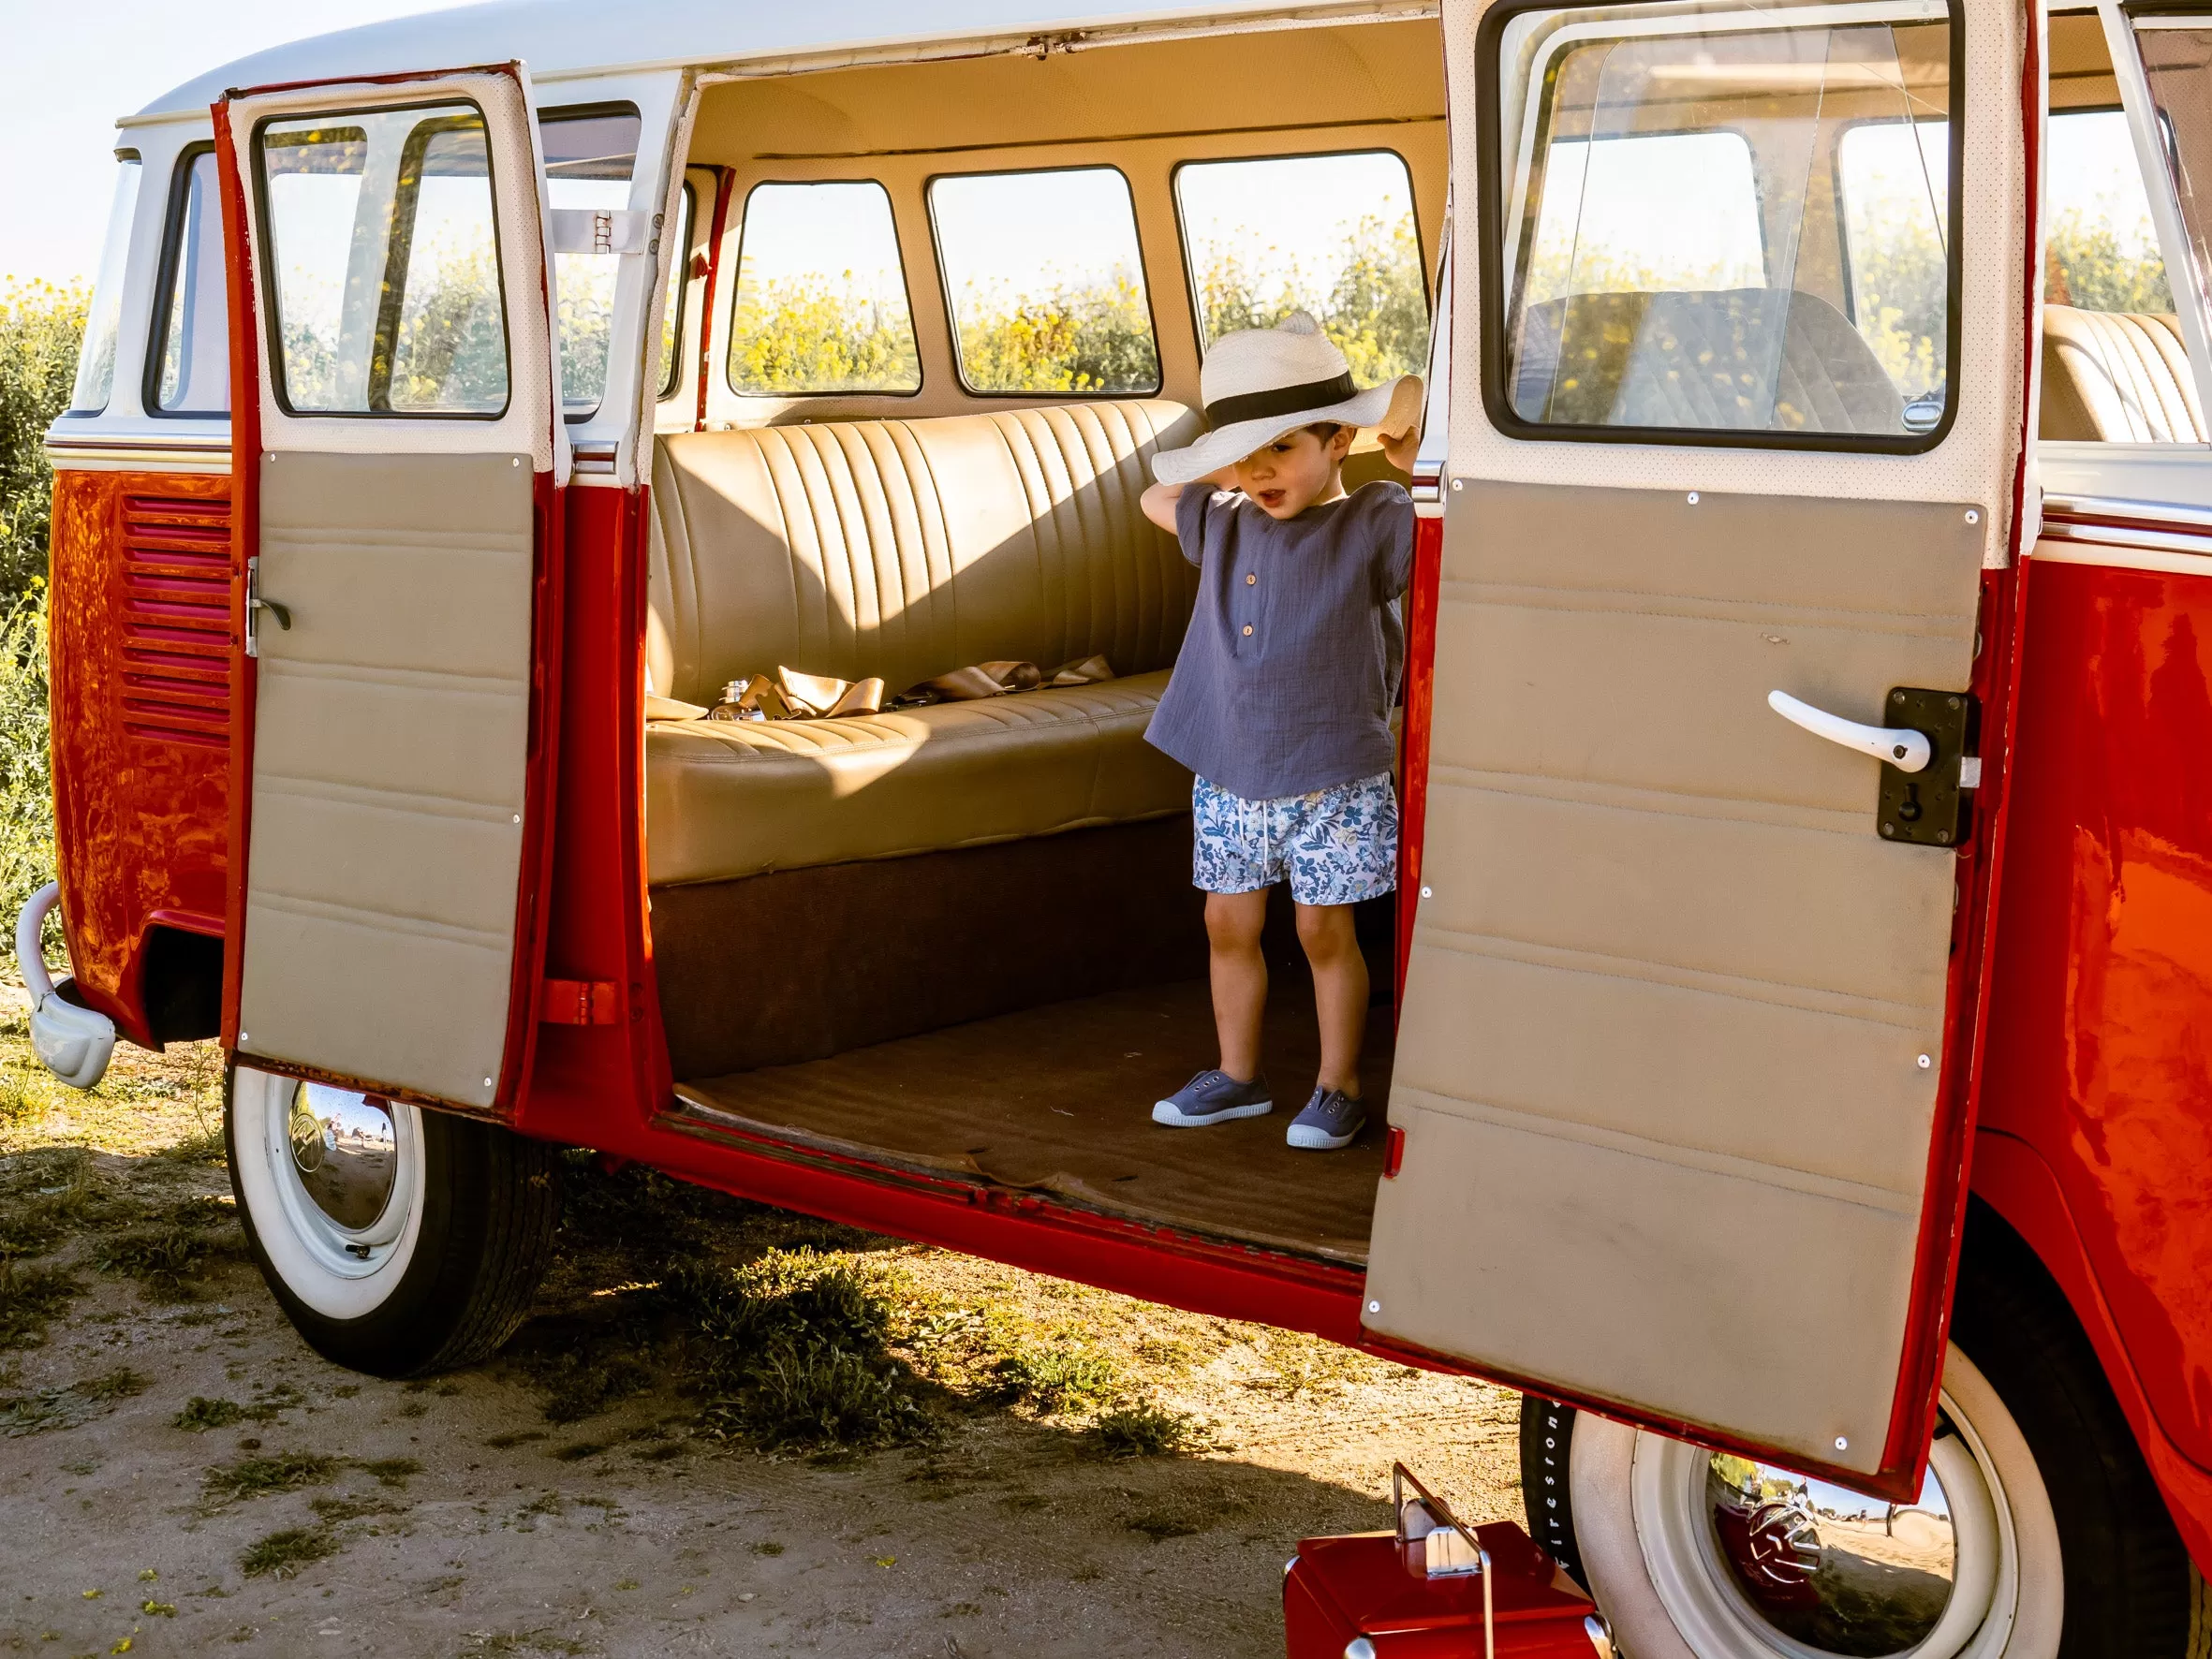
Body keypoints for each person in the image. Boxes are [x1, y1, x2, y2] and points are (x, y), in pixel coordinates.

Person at [1141, 310, 1421, 1152]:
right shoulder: (1223, 520)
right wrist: (1219, 468)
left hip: (1333, 770)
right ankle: (1237, 1076)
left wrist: (1400, 455)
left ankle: (1337, 1086)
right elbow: (1158, 494)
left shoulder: (1373, 520)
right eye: (1246, 451)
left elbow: (1449, 534)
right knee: (1227, 924)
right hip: (1230, 768)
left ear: (1341, 441)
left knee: (1320, 929)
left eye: (1283, 447)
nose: (1261, 470)